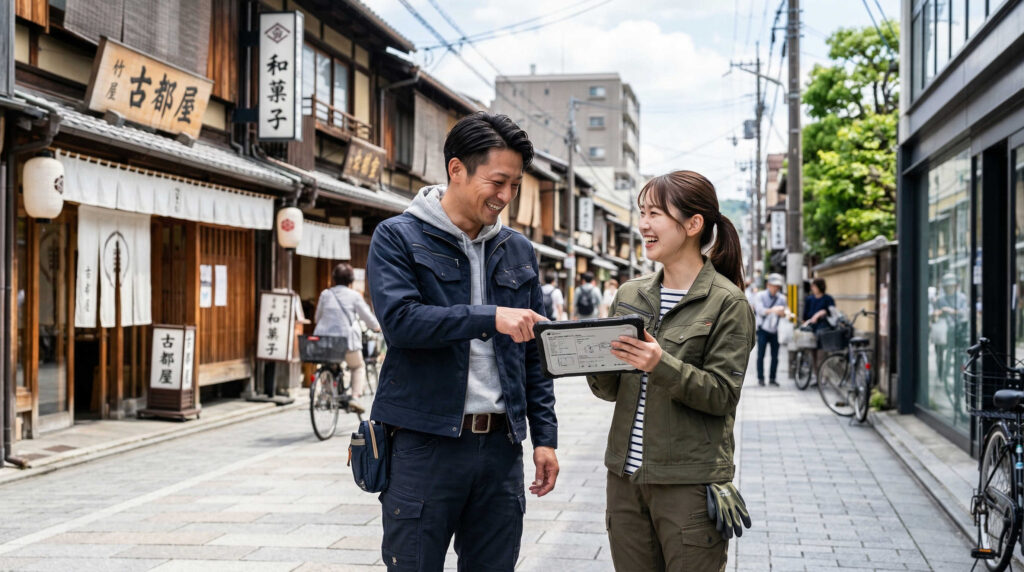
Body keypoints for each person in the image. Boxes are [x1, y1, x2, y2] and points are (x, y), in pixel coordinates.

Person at [367, 112, 559, 571]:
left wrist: (545, 438)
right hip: (424, 443)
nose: (505, 196)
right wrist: (490, 316)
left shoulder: (518, 249)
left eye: (514, 185)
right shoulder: (397, 237)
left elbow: (535, 353)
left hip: (500, 448)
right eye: (497, 182)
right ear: (457, 169)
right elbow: (402, 322)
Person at [586, 170, 755, 571]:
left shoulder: (727, 304)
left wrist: (661, 364)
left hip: (688, 485)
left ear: (694, 224)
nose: (644, 224)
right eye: (642, 212)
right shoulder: (630, 294)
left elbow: (721, 396)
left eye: (656, 213)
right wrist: (589, 357)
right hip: (625, 480)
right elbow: (610, 390)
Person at [313, 263, 381, 412]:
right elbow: (367, 317)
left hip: (325, 341)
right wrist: (377, 326)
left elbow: (317, 318)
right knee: (357, 367)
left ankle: (328, 393)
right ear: (351, 281)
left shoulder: (325, 294)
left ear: (334, 279)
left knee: (328, 364)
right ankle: (355, 397)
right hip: (346, 342)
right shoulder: (354, 296)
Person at [754, 273, 788, 387]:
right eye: (774, 285)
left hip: (776, 330)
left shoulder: (782, 298)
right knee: (761, 355)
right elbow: (760, 310)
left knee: (775, 356)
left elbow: (785, 314)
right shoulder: (760, 295)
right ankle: (761, 378)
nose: (776, 288)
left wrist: (783, 313)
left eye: (778, 286)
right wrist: (773, 310)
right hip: (762, 329)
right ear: (768, 285)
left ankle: (772, 378)